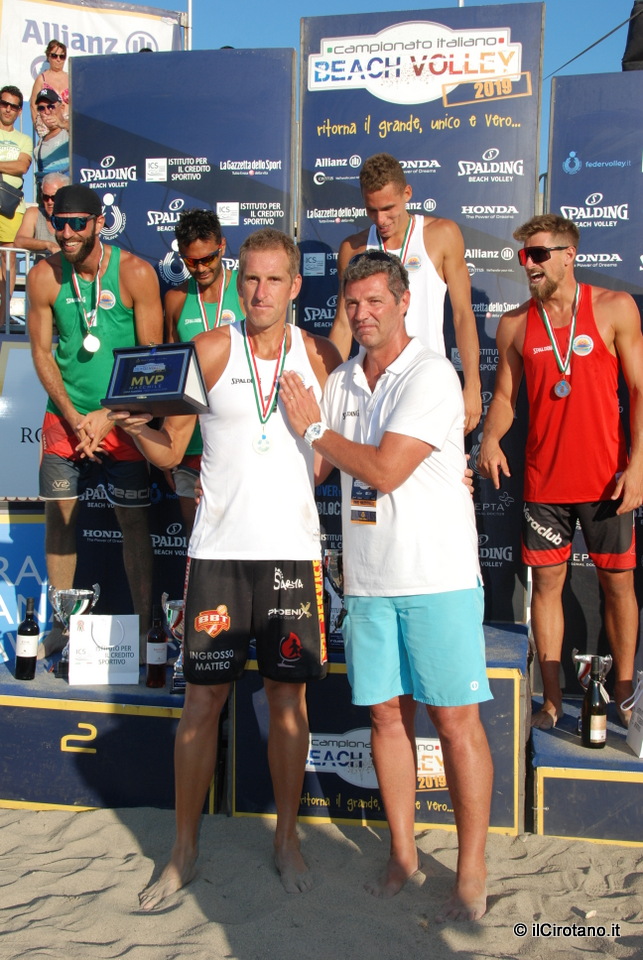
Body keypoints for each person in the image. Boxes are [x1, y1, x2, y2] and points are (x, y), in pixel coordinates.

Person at [108, 228, 342, 910]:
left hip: (291, 555)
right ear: (239, 284)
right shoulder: (210, 349)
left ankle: (287, 840)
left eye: (274, 280)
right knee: (201, 704)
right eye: (251, 280)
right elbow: (170, 450)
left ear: (295, 286)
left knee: (288, 704)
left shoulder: (321, 356)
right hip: (217, 555)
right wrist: (132, 426)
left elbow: (332, 457)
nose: (260, 292)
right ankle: (182, 852)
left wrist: (311, 448)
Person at [280, 250, 493, 922]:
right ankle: (402, 854)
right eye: (353, 303)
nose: (363, 313)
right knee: (385, 719)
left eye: (375, 300)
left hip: (437, 577)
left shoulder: (431, 373)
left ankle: (471, 869)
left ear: (403, 302)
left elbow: (382, 471)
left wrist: (313, 427)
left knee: (454, 723)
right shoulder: (342, 380)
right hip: (369, 581)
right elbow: (314, 467)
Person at [477, 214, 643, 729]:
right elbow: (505, 398)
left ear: (569, 255)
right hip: (545, 482)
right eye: (523, 255)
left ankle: (624, 696)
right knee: (546, 586)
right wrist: (490, 437)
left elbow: (639, 390)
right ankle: (550, 701)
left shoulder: (614, 307)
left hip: (607, 480)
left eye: (538, 254)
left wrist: (638, 464)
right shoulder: (515, 323)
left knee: (618, 585)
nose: (528, 264)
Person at [27, 184, 163, 655]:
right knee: (60, 520)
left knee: (134, 524)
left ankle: (144, 632)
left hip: (122, 419)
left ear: (98, 224)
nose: (66, 233)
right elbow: (41, 354)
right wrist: (73, 416)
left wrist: (109, 414)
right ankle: (62, 627)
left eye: (77, 224)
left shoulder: (136, 273)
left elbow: (150, 359)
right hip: (64, 419)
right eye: (58, 223)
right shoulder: (43, 276)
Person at [329, 152, 482, 435]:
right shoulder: (353, 248)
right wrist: (329, 390)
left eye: (389, 208)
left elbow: (462, 315)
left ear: (407, 193)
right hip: (370, 387)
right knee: (368, 463)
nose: (381, 219)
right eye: (372, 210)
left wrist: (472, 385)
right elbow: (342, 324)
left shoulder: (442, 234)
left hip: (428, 382)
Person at [164, 208, 244, 535]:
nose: (200, 268)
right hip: (191, 439)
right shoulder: (175, 299)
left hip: (238, 434)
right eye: (191, 261)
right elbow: (170, 375)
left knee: (238, 531)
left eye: (208, 258)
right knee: (195, 531)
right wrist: (168, 445)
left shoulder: (247, 289)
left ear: (222, 246)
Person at [0, 85, 32, 305]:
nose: (8, 109)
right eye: (4, 103)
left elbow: (22, 166)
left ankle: (3, 314)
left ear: (20, 111)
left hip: (10, 205)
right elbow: (16, 165)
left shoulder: (24, 139)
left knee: (8, 258)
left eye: (14, 106)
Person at [15, 172, 69, 261]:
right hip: (42, 269)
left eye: (54, 197)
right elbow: (19, 241)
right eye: (45, 197)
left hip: (67, 269)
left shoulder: (73, 218)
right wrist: (48, 245)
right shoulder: (34, 213)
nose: (50, 202)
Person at [33, 89, 69, 199]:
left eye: (50, 107)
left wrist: (62, 124)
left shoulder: (69, 132)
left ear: (62, 108)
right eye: (41, 108)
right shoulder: (40, 144)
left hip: (68, 197)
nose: (47, 112)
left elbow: (86, 135)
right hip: (48, 200)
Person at [30, 40, 69, 133]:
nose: (58, 59)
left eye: (62, 56)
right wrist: (40, 128)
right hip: (47, 127)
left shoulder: (71, 78)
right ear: (48, 56)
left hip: (67, 127)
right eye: (54, 56)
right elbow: (33, 106)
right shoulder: (41, 79)